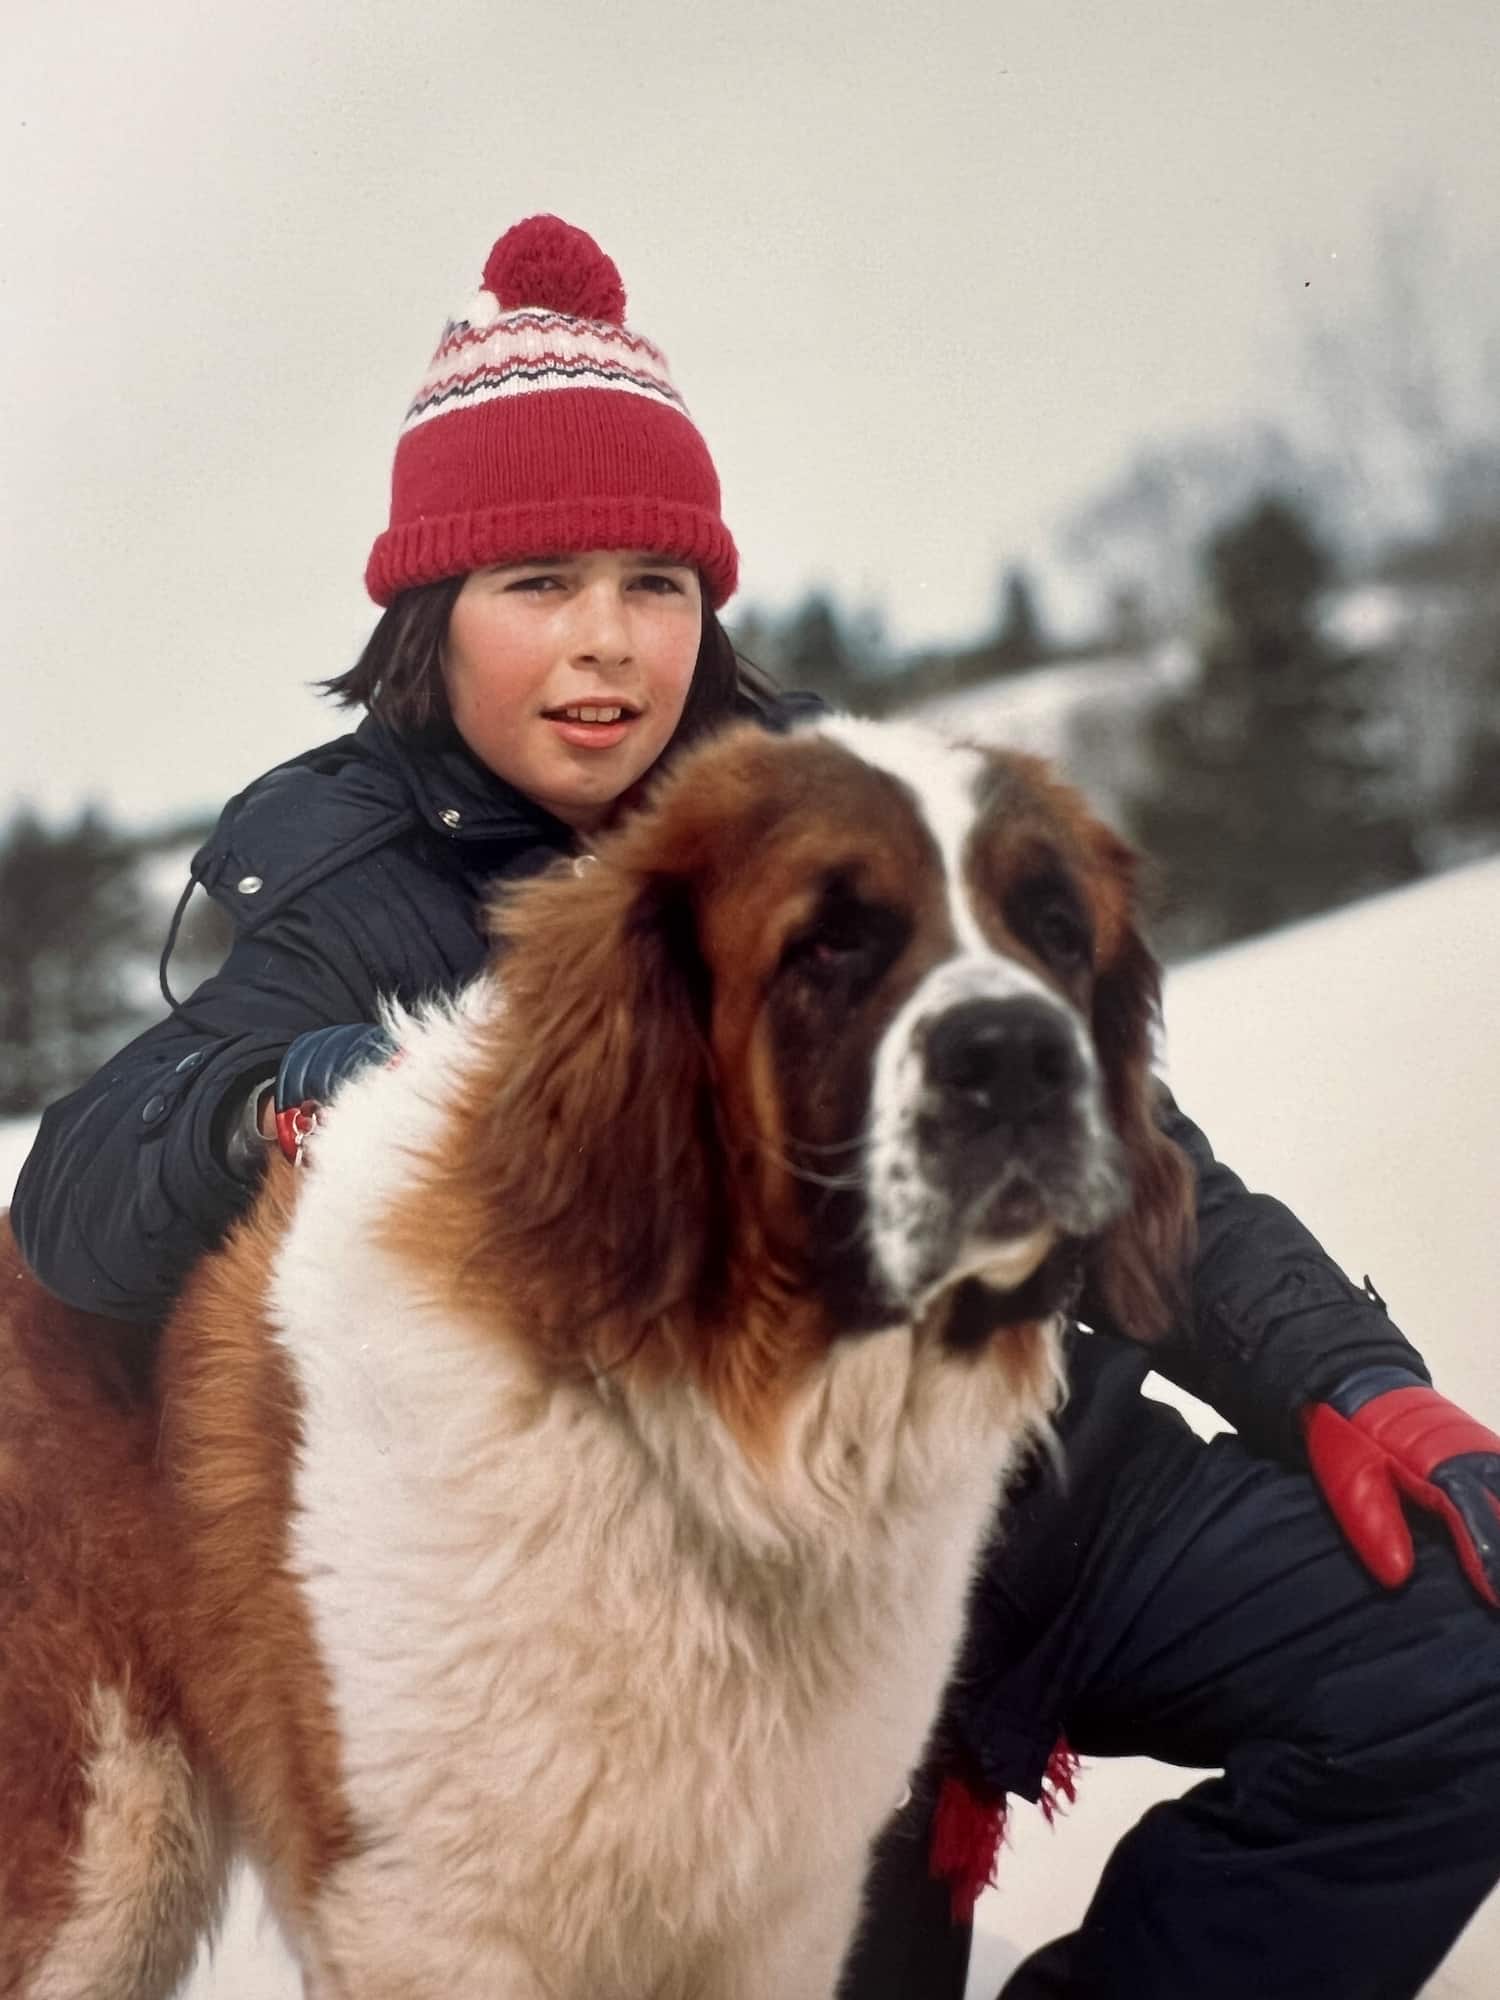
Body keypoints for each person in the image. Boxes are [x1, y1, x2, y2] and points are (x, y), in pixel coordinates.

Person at [12, 214, 1500, 2000]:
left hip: (1018, 1479)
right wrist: (278, 1096)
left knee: (1462, 1667)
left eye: (656, 580)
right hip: (695, 1613)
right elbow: (82, 1198)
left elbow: (1112, 1140)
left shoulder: (834, 811)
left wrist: (1350, 1377)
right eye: (538, 580)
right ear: (430, 611)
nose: (608, 643)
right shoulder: (343, 887)